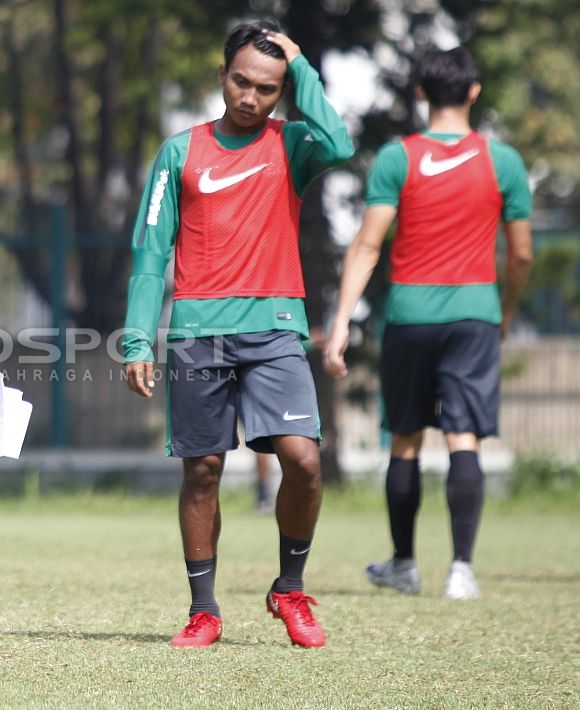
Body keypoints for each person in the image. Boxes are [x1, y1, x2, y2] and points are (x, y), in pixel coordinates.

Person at [123, 21, 354, 649]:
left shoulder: (294, 144)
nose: (251, 97)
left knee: (302, 460)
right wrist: (138, 338)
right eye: (242, 81)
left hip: (277, 329)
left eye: (268, 88)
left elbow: (339, 143)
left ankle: (289, 588)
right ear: (223, 74)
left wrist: (302, 66)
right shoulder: (180, 151)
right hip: (198, 332)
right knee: (202, 469)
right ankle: (204, 610)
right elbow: (150, 253)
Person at [323, 47, 532, 600]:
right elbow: (523, 255)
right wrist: (505, 311)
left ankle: (404, 564)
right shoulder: (502, 160)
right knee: (464, 436)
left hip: (410, 316)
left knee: (407, 440)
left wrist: (341, 320)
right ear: (474, 91)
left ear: (420, 94)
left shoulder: (397, 158)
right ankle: (461, 569)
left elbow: (367, 245)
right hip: (475, 314)